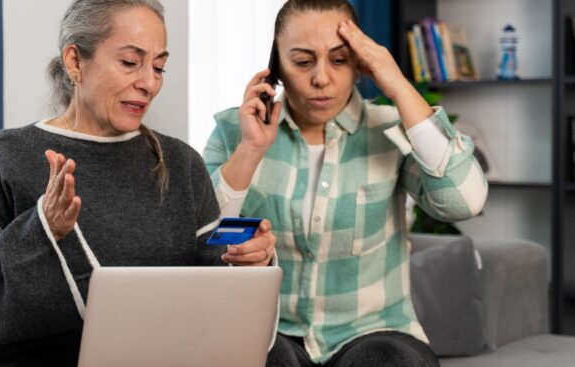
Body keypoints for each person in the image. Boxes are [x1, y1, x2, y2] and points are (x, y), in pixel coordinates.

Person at [0, 1, 276, 365]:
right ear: (75, 61)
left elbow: (215, 297)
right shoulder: (0, 156)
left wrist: (247, 265)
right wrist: (40, 230)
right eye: (129, 62)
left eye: (159, 67)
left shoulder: (182, 164)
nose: (150, 83)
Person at [203, 0, 488, 366]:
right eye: (303, 62)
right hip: (273, 330)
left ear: (359, 65)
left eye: (339, 60)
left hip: (374, 332)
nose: (321, 78)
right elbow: (202, 240)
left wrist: (398, 85)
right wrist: (251, 149)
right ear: (276, 69)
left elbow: (466, 201)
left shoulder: (392, 129)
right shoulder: (234, 130)